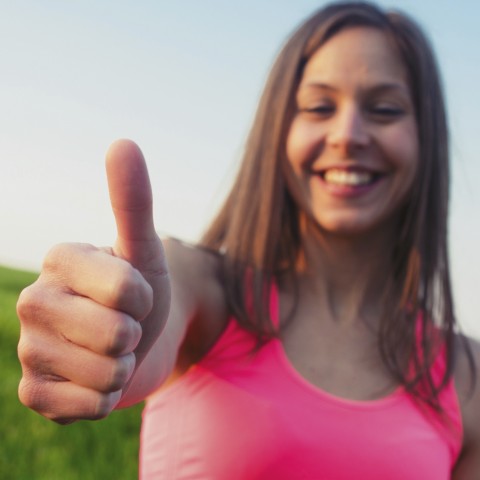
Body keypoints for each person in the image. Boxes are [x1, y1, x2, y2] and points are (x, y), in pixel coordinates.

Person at [16, 2, 480, 479]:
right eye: (319, 107)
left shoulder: (466, 374)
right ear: (278, 129)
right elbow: (145, 343)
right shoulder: (204, 290)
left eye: (384, 109)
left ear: (427, 139)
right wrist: (105, 332)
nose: (348, 134)